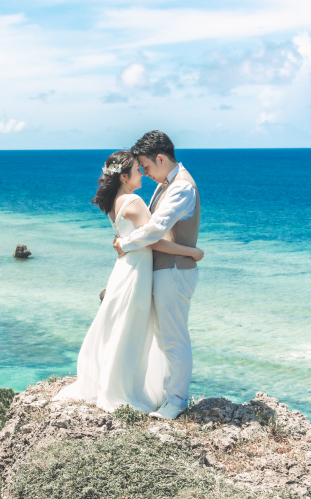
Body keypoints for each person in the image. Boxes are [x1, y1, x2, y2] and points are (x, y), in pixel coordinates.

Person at [52, 150, 203, 413]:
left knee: (119, 327)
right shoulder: (134, 201)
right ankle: (123, 389)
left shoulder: (116, 202)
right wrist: (192, 253)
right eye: (137, 169)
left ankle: (113, 383)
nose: (142, 174)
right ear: (124, 177)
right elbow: (153, 239)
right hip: (137, 272)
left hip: (126, 268)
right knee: (130, 331)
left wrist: (123, 243)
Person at [112, 130, 201, 420]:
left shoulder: (181, 188)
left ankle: (177, 401)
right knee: (164, 339)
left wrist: (125, 244)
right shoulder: (166, 184)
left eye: (146, 167)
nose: (145, 173)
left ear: (161, 158)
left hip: (174, 271)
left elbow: (155, 228)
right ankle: (168, 396)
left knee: (174, 338)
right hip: (164, 269)